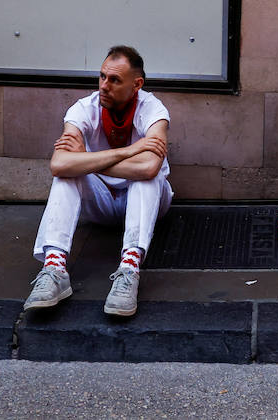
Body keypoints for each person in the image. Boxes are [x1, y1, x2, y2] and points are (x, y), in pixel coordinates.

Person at [24, 46, 171, 318]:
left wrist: (87, 158)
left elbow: (150, 166)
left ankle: (129, 269)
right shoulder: (83, 109)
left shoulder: (153, 109)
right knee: (66, 176)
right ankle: (54, 268)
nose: (104, 85)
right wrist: (128, 151)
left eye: (114, 80)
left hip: (146, 202)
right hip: (100, 201)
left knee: (146, 178)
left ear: (136, 84)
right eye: (102, 76)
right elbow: (58, 164)